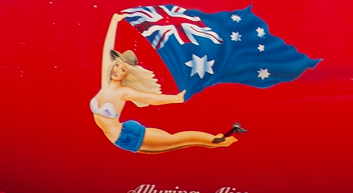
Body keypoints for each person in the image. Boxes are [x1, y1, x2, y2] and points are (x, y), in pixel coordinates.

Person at [91, 13, 243, 153]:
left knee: (175, 140)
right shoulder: (106, 84)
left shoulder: (123, 92)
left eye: (123, 69)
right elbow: (107, 48)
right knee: (175, 141)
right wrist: (114, 22)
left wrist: (176, 99)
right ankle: (216, 139)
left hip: (126, 137)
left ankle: (216, 139)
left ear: (127, 75)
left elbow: (151, 99)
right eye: (117, 65)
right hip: (120, 136)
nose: (117, 69)